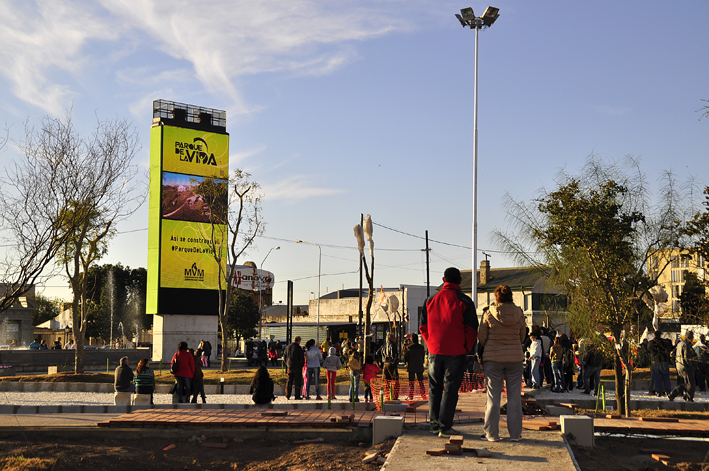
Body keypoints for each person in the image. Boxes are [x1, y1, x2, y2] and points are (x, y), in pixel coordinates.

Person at [420, 267, 478, 438]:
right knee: (450, 389)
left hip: (434, 351)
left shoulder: (430, 300)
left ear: (443, 279)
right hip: (456, 351)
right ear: (460, 281)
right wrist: (466, 348)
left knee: (434, 388)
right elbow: (472, 329)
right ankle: (445, 427)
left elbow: (423, 327)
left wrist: (431, 343)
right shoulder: (465, 301)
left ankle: (434, 424)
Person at [478, 284, 525, 442]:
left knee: (493, 397)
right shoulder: (519, 313)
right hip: (515, 358)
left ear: (496, 297)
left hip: (493, 358)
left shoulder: (488, 313)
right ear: (511, 296)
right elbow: (522, 336)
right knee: (514, 397)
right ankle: (515, 435)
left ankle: (491, 434)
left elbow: (482, 337)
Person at [668, 331, 697, 402]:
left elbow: (672, 354)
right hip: (685, 367)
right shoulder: (686, 345)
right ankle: (689, 398)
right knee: (691, 384)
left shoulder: (680, 343)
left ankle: (672, 395)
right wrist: (692, 366)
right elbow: (687, 358)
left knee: (684, 384)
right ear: (691, 338)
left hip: (679, 366)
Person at [648, 330, 672, 396]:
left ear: (654, 335)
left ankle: (658, 392)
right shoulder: (664, 342)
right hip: (663, 360)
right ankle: (668, 391)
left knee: (656, 378)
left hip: (655, 361)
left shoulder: (651, 342)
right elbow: (669, 347)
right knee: (666, 377)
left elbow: (649, 349)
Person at [404, 333, 426, 399]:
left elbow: (406, 358)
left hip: (411, 367)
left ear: (412, 340)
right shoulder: (421, 347)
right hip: (419, 366)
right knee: (421, 381)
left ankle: (411, 395)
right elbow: (423, 356)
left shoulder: (409, 348)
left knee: (411, 382)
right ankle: (423, 394)